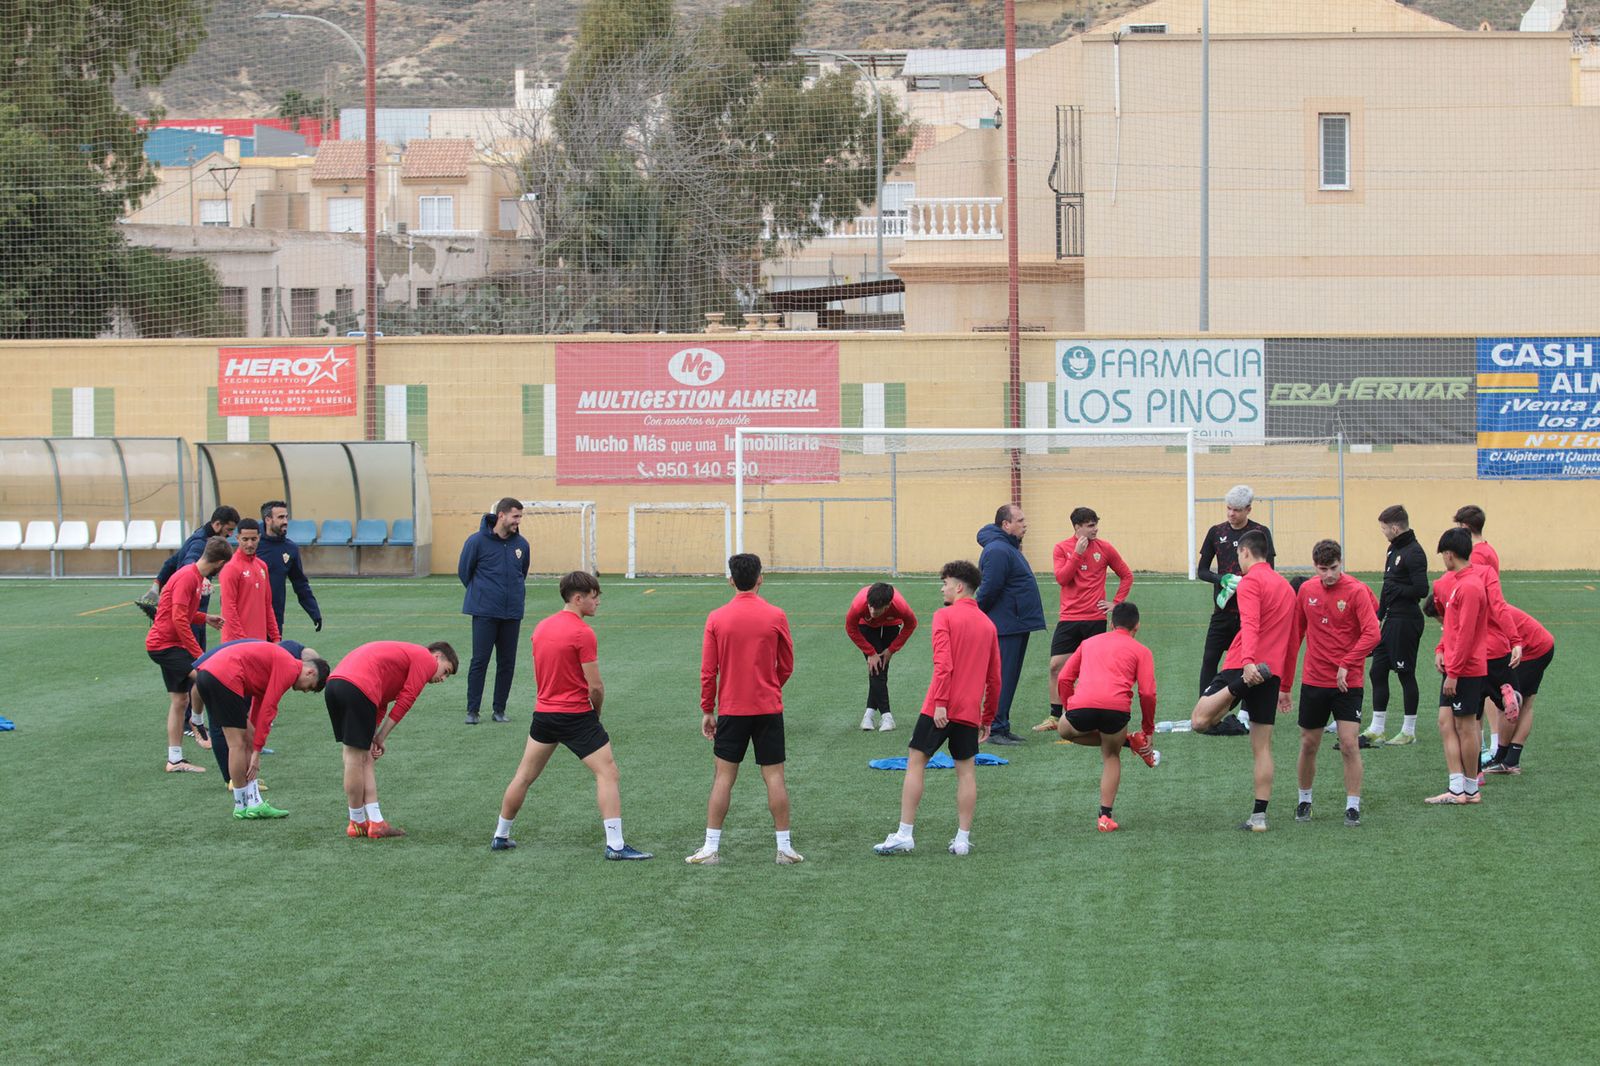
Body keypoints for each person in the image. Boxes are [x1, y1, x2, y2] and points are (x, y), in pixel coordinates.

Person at [490, 572, 652, 860]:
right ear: (578, 598)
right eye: (594, 596)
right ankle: (615, 845)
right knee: (608, 773)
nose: (598, 601)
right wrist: (596, 715)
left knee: (524, 776)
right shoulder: (582, 633)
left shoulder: (540, 628)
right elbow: (596, 687)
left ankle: (501, 835)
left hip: (544, 715)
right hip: (576, 715)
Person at [873, 560, 1000, 857]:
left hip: (940, 707)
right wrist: (987, 717)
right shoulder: (988, 625)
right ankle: (962, 839)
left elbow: (944, 665)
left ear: (958, 587)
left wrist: (941, 703)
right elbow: (995, 678)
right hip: (970, 710)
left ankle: (905, 833)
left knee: (916, 761)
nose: (942, 588)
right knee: (966, 772)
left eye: (944, 583)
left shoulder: (944, 616)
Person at [686, 554, 800, 866]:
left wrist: (708, 709)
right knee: (774, 776)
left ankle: (710, 847)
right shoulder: (776, 615)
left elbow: (708, 671)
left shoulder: (717, 617)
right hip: (768, 708)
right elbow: (787, 664)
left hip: (732, 710)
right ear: (760, 578)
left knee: (723, 777)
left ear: (731, 581)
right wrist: (771, 686)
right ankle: (784, 848)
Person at [1190, 529, 1296, 831]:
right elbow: (1292, 640)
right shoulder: (1287, 588)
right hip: (1272, 672)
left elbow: (1249, 623)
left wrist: (1247, 665)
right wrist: (1285, 686)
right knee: (1262, 747)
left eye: (1238, 555)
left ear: (1246, 553)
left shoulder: (1251, 582)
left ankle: (1239, 688)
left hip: (1244, 667)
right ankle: (1259, 818)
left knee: (1199, 720)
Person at [1287, 540, 1380, 827]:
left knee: (1349, 744)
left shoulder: (1356, 591)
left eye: (1334, 568)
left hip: (1348, 683)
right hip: (1314, 680)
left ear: (1342, 563)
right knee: (1308, 743)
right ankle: (1304, 800)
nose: (1328, 575)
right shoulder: (1307, 591)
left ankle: (1352, 805)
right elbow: (1296, 635)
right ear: (1314, 567)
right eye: (1323, 569)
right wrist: (1284, 685)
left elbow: (1373, 634)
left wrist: (1346, 662)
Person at [326, 640, 459, 838]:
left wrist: (373, 737)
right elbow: (408, 698)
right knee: (356, 758)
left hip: (335, 685)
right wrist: (380, 737)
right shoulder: (425, 658)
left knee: (359, 756)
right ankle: (358, 822)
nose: (443, 678)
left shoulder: (403, 660)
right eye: (446, 671)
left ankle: (371, 821)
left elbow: (379, 702)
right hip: (358, 687)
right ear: (437, 656)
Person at [1053, 602, 1160, 832]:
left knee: (1064, 729)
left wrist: (1068, 707)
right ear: (1137, 626)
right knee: (1111, 754)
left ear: (1111, 624)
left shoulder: (1088, 643)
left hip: (1081, 707)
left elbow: (1063, 679)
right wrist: (1147, 730)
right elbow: (1148, 693)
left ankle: (1127, 740)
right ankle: (1105, 817)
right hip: (1116, 711)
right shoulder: (1142, 651)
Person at [192, 640, 329, 819]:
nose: (304, 691)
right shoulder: (289, 668)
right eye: (309, 687)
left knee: (246, 738)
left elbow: (259, 702)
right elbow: (269, 708)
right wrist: (257, 752)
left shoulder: (283, 665)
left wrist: (255, 741)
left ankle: (252, 803)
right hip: (223, 677)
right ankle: (241, 806)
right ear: (310, 673)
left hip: (209, 676)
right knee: (237, 745)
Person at [1035, 506, 1133, 732]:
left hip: (1095, 619)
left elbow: (1126, 575)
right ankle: (1054, 717)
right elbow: (1062, 578)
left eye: (1095, 525)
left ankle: (1093, 716)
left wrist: (1116, 603)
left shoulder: (1105, 548)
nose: (1095, 529)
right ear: (1077, 527)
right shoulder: (1061, 548)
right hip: (1069, 618)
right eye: (1090, 526)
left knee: (1094, 669)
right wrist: (1077, 554)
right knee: (1055, 667)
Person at [145, 536, 230, 774]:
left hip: (168, 644)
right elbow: (179, 619)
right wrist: (198, 654)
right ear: (220, 563)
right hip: (165, 646)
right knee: (206, 677)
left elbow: (183, 612)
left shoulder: (193, 576)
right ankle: (198, 721)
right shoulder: (186, 578)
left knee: (179, 700)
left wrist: (206, 617)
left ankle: (174, 760)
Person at [1194, 486, 1274, 732]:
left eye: (1237, 510)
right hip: (1223, 612)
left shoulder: (1261, 533)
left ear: (1248, 509)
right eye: (1228, 508)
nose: (1231, 514)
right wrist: (1222, 579)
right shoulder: (1216, 532)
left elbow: (1269, 569)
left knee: (1248, 664)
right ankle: (1204, 707)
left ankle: (1246, 714)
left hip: (1250, 614)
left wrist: (1249, 584)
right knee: (1210, 659)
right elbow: (1202, 570)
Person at [1426, 529, 1490, 805]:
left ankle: (1470, 789)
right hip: (1454, 665)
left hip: (1465, 669)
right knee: (1445, 723)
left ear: (1449, 554)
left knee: (1465, 727)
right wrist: (1441, 650)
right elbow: (1451, 629)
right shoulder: (1459, 583)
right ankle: (1457, 787)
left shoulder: (1470, 587)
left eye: (1442, 554)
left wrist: (1454, 673)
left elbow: (1465, 635)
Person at [1454, 505, 1521, 764]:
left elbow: (1477, 597)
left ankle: (1481, 753)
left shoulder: (1476, 558)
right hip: (1495, 637)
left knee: (1466, 708)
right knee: (1490, 697)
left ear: (1464, 528)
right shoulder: (1488, 549)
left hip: (1482, 638)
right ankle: (1490, 749)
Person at [974, 503, 1046, 745]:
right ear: (1005, 525)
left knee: (1008, 676)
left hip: (1014, 623)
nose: (1025, 524)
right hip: (1006, 625)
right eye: (1020, 521)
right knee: (1002, 677)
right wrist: (975, 615)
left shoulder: (1006, 547)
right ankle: (995, 727)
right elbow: (988, 589)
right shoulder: (998, 550)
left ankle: (1001, 725)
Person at [459, 497, 531, 725]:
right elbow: (464, 573)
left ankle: (499, 709)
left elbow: (523, 572)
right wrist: (484, 596)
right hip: (484, 612)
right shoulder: (476, 541)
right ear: (501, 515)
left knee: (507, 663)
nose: (518, 521)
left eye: (520, 517)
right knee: (480, 660)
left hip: (512, 613)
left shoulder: (522, 545)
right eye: (515, 516)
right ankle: (473, 711)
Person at [1368, 505, 1429, 746]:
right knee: (1377, 671)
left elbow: (1421, 590)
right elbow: (1387, 586)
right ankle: (1377, 727)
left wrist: (1399, 591)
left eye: (1384, 528)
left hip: (1406, 621)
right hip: (1390, 621)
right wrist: (1378, 616)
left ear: (1394, 527)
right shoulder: (1393, 549)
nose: (1383, 532)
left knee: (1405, 673)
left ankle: (1409, 730)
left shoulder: (1414, 552)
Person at [1484, 604, 1554, 776]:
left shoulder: (1483, 609)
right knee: (1524, 703)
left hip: (1533, 649)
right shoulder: (1486, 604)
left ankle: (1502, 759)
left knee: (1508, 702)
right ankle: (1510, 760)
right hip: (1541, 644)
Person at [845, 581, 918, 732]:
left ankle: (869, 714)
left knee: (881, 666)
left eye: (877, 609)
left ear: (888, 605)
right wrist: (870, 652)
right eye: (870, 606)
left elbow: (911, 624)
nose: (872, 611)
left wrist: (891, 649)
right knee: (877, 667)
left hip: (892, 624)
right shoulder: (859, 604)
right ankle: (887, 716)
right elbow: (850, 628)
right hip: (866, 626)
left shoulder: (900, 606)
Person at [258, 501, 322, 635]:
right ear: (268, 520)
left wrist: (314, 611)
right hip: (252, 616)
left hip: (275, 618)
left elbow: (300, 583)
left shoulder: (291, 549)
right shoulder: (254, 545)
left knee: (272, 654)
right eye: (281, 517)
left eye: (286, 517)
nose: (285, 521)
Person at [219, 518, 280, 644]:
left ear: (259, 537)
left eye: (253, 539)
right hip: (236, 644)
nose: (250, 544)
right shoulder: (231, 568)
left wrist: (275, 637)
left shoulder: (262, 566)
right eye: (245, 539)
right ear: (237, 538)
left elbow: (267, 605)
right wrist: (243, 641)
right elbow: (228, 609)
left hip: (259, 642)